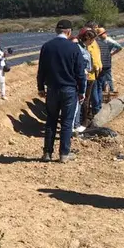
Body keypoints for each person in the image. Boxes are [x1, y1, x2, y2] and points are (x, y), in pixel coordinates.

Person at [37, 20, 86, 163]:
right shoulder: (73, 48)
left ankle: (47, 153)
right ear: (69, 32)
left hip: (52, 89)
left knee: (51, 120)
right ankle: (64, 154)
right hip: (69, 89)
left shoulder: (46, 47)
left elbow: (41, 70)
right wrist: (82, 91)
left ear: (55, 31)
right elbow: (80, 73)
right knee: (66, 121)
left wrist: (40, 87)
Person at [72, 30, 94, 133]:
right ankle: (74, 126)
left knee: (80, 101)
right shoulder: (80, 49)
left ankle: (76, 124)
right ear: (88, 38)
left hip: (82, 77)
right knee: (78, 101)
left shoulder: (84, 48)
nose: (93, 42)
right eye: (93, 40)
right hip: (79, 78)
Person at [95, 27, 123, 94]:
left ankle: (110, 90)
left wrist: (112, 54)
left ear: (105, 33)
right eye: (100, 35)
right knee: (101, 76)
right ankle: (103, 90)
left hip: (106, 60)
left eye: (102, 34)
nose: (101, 36)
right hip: (100, 60)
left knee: (108, 76)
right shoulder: (98, 41)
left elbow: (120, 47)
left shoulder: (109, 41)